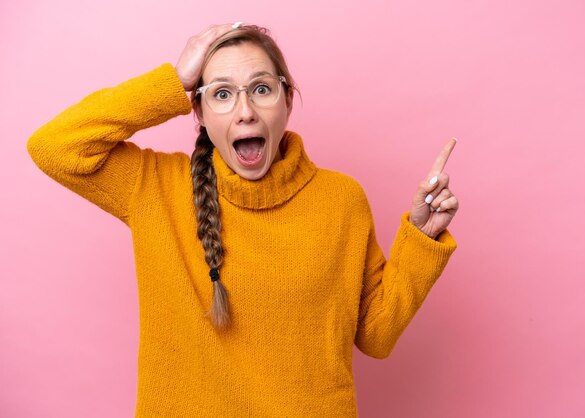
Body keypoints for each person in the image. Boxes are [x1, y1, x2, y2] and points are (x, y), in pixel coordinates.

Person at [27, 22, 459, 417]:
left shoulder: (342, 199)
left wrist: (421, 237)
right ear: (198, 113)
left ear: (288, 100)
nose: (245, 111)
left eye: (261, 89)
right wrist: (173, 83)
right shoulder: (154, 187)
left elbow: (377, 336)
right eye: (221, 93)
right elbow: (55, 147)